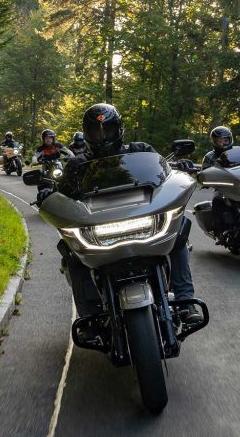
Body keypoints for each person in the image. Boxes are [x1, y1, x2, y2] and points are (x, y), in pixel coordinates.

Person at [55, 103, 202, 324]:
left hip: (143, 219)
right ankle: (90, 317)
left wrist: (178, 166)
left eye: (108, 130)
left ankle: (185, 301)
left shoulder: (140, 151)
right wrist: (51, 190)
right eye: (96, 132)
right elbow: (63, 192)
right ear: (87, 134)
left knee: (179, 230)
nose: (103, 136)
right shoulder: (77, 164)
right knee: (72, 254)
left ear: (119, 129)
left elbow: (164, 173)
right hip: (100, 229)